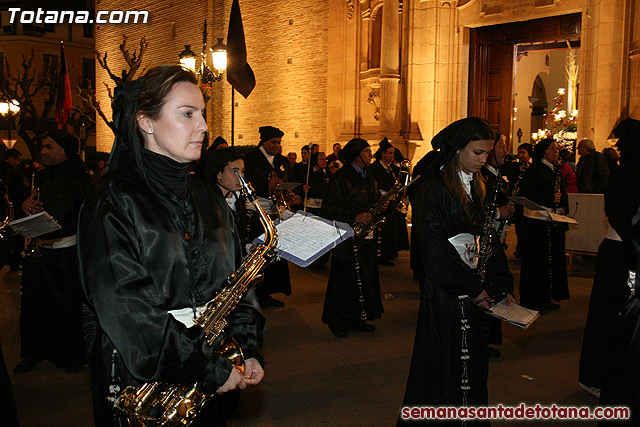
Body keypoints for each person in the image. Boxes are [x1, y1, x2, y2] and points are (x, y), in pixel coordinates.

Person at [77, 65, 265, 427]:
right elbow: (125, 302)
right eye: (187, 114)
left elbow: (239, 284)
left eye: (204, 115)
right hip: (143, 380)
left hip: (214, 369)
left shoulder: (208, 195)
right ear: (146, 121)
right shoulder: (113, 198)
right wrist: (204, 365)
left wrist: (245, 347)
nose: (204, 127)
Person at [399, 117, 513, 425]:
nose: (483, 160)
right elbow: (434, 252)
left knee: (473, 367)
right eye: (477, 152)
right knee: (443, 368)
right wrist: (473, 289)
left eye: (487, 153)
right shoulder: (431, 189)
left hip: (475, 287)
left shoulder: (479, 186)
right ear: (457, 150)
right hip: (446, 294)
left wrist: (502, 287)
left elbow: (488, 238)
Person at [14, 130, 92, 375]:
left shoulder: (82, 179)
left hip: (67, 251)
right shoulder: (40, 176)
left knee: (66, 306)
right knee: (35, 305)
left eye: (49, 147)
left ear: (64, 150)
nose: (43, 152)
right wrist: (25, 205)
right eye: (43, 147)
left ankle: (71, 356)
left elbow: (85, 214)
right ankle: (34, 352)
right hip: (40, 251)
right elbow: (30, 205)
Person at [579, 118, 640, 399]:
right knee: (612, 317)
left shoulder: (627, 171)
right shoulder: (629, 174)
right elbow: (623, 216)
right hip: (621, 251)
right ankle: (602, 376)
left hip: (619, 249)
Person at [321, 138, 383, 338]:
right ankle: (337, 320)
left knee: (365, 277)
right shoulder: (341, 177)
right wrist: (353, 216)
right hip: (346, 234)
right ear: (357, 155)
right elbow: (329, 207)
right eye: (366, 151)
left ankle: (358, 317)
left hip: (365, 234)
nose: (370, 155)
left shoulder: (369, 175)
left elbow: (371, 199)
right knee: (344, 278)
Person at [517, 138, 570, 310]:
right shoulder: (536, 170)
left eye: (557, 148)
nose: (556, 151)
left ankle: (547, 296)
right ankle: (536, 299)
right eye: (552, 148)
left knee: (550, 261)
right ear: (543, 152)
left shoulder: (554, 170)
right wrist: (550, 197)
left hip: (551, 221)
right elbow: (529, 195)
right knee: (538, 263)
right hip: (538, 224)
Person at [243, 126, 292, 307]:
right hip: (257, 210)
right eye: (273, 142)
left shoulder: (281, 160)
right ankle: (255, 291)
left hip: (276, 210)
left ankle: (268, 292)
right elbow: (246, 181)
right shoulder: (251, 159)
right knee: (260, 250)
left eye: (279, 142)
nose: (277, 146)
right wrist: (265, 184)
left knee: (274, 252)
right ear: (263, 141)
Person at [480, 134, 515, 358]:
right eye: (501, 147)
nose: (505, 152)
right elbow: (473, 213)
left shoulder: (498, 177)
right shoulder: (481, 177)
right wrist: (497, 213)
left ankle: (488, 338)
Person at [369, 137, 407, 266]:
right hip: (380, 203)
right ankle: (378, 254)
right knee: (380, 230)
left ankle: (388, 253)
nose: (392, 156)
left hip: (392, 203)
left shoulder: (393, 170)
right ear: (383, 154)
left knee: (391, 230)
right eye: (390, 153)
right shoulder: (373, 168)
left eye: (393, 153)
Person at [0, 148, 29, 270]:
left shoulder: (5, 170)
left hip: (7, 209)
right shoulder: (10, 172)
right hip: (14, 208)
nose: (18, 162)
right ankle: (14, 260)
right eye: (17, 160)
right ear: (11, 158)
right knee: (15, 237)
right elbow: (18, 189)